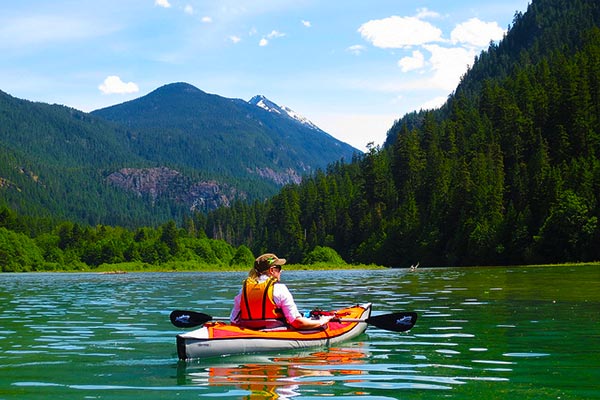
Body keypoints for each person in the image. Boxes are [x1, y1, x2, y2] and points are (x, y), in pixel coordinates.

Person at [230, 253, 333, 330]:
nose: (281, 271)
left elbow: (234, 321)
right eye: (279, 268)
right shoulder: (280, 289)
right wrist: (321, 321)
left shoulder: (243, 290)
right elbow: (297, 323)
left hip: (250, 332)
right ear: (272, 270)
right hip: (275, 333)